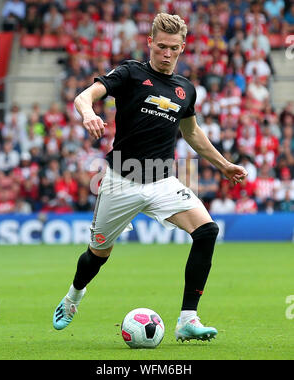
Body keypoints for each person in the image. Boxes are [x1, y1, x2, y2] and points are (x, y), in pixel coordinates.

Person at [52, 13, 247, 342]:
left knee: (208, 230)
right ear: (150, 43)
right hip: (120, 181)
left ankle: (187, 318)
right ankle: (74, 295)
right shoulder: (130, 73)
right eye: (160, 46)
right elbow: (84, 96)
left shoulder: (185, 89)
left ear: (182, 48)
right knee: (97, 255)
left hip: (161, 181)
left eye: (173, 48)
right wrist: (88, 114)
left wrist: (223, 164)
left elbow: (193, 133)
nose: (166, 53)